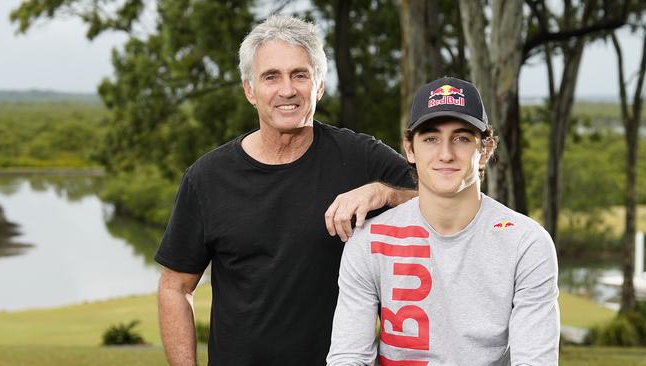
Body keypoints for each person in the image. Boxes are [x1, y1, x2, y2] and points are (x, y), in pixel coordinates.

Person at [155, 15, 417, 366]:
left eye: (300, 74)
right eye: (271, 77)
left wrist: (382, 193)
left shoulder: (361, 158)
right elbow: (175, 288)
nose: (287, 90)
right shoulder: (207, 178)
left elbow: (444, 201)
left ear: (319, 85)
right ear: (250, 90)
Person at [327, 77, 560, 366]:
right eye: (430, 139)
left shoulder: (526, 243)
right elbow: (348, 358)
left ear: (485, 150)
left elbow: (534, 361)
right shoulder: (368, 242)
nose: (446, 154)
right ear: (410, 149)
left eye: (462, 138)